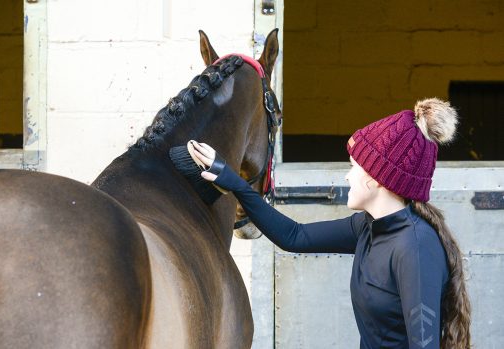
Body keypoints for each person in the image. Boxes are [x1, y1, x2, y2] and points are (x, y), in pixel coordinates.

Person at [189, 98, 471, 349]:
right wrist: (232, 180)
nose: (347, 177)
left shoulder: (415, 247)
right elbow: (294, 236)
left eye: (353, 167)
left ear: (376, 178)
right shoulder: (368, 227)